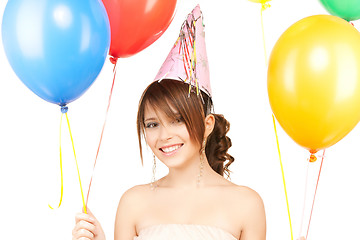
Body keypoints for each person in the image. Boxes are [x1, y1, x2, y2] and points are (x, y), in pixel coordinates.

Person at [72, 5, 266, 240]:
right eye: (152, 124)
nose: (164, 136)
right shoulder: (133, 203)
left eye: (177, 120)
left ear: (207, 125)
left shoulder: (247, 204)